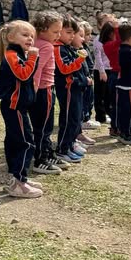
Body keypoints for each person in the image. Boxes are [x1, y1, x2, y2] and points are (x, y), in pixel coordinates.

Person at [0, 20, 42, 198]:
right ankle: (18, 181)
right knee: (25, 142)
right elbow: (23, 75)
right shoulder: (12, 55)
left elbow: (26, 75)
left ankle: (17, 176)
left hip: (18, 106)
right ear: (10, 37)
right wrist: (33, 58)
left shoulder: (19, 54)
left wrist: (30, 58)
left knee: (15, 141)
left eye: (32, 36)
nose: (30, 39)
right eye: (25, 35)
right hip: (14, 106)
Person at [31, 10, 63, 175]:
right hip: (44, 90)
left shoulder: (34, 42)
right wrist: (35, 88)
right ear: (42, 29)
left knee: (41, 126)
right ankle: (40, 159)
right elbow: (38, 68)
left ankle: (47, 153)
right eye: (55, 32)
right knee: (44, 127)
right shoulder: (46, 46)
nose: (58, 35)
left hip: (40, 90)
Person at [53, 16, 89, 164]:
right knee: (68, 120)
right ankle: (62, 149)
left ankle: (70, 145)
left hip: (76, 88)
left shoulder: (67, 47)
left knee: (75, 119)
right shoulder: (58, 48)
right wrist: (79, 59)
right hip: (67, 89)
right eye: (68, 32)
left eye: (74, 33)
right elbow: (64, 68)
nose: (72, 36)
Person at [92, 12, 112, 126]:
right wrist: (101, 71)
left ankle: (107, 112)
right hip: (101, 70)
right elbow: (98, 57)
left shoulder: (112, 39)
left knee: (109, 93)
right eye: (106, 22)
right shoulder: (98, 40)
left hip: (111, 69)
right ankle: (100, 116)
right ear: (100, 26)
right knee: (100, 94)